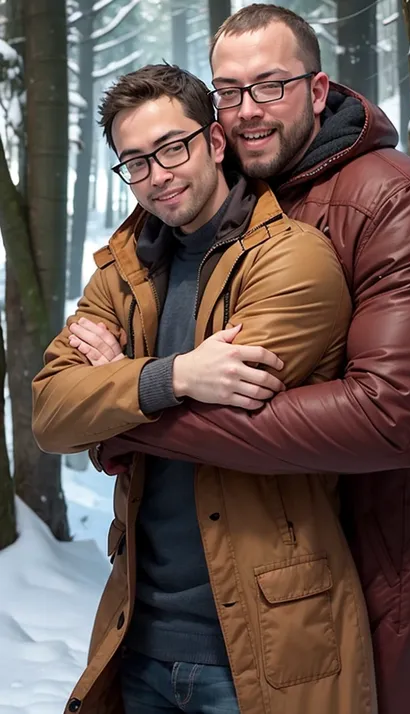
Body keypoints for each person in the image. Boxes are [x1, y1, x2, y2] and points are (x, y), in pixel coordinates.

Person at [86, 5, 410, 714]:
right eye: (228, 91)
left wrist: (130, 413)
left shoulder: (400, 201)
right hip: (185, 619)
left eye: (272, 86)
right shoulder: (203, 195)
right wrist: (131, 388)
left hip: (360, 583)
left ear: (319, 91)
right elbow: (87, 363)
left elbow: (388, 420)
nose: (247, 112)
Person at [31, 64, 378, 714]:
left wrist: (110, 417)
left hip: (268, 645)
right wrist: (176, 376)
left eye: (171, 147)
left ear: (215, 142)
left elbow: (241, 422)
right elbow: (51, 412)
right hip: (139, 638)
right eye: (134, 161)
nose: (156, 175)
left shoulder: (291, 257)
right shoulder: (123, 268)